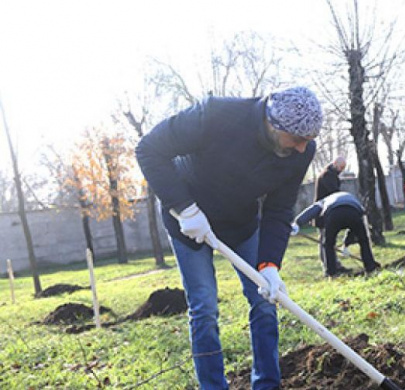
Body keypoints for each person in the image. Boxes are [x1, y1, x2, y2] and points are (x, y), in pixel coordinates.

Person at [135, 86, 322, 389]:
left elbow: (279, 208)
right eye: (298, 139)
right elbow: (149, 149)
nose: (303, 148)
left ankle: (267, 384)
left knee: (264, 300)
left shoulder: (301, 152)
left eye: (308, 141)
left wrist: (270, 264)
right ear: (273, 125)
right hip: (189, 222)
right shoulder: (216, 115)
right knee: (205, 306)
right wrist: (183, 208)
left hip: (241, 223)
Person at [292, 191, 381, 276]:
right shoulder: (352, 198)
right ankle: (370, 267)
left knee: (328, 244)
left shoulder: (324, 200)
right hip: (353, 212)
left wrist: (297, 223)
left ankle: (331, 273)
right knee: (363, 241)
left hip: (334, 214)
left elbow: (312, 210)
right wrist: (346, 244)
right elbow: (355, 227)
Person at [313, 157, 350, 273]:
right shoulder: (327, 176)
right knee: (326, 240)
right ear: (335, 164)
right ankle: (329, 266)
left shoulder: (331, 174)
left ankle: (334, 263)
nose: (342, 170)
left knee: (329, 239)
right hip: (323, 213)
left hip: (327, 212)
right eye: (341, 168)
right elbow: (334, 193)